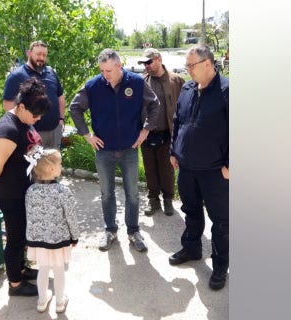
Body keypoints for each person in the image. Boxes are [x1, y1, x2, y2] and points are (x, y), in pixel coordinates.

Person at [69, 48, 161, 253]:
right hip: (104, 151)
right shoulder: (93, 86)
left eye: (108, 71)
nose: (105, 75)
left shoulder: (136, 83)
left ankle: (133, 231)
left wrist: (145, 131)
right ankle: (110, 230)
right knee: (106, 194)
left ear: (119, 66)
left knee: (133, 194)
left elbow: (155, 105)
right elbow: (75, 108)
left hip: (129, 149)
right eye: (102, 70)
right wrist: (87, 135)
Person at [168, 44, 229, 291]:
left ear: (207, 64)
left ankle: (220, 267)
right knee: (190, 211)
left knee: (221, 222)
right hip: (187, 168)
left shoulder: (227, 91)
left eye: (191, 65)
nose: (187, 70)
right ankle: (192, 248)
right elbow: (178, 120)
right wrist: (174, 151)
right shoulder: (188, 87)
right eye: (186, 65)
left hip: (215, 171)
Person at [0, 78, 51, 296]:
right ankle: (15, 284)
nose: (38, 119)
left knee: (21, 235)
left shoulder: (23, 120)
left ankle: (21, 269)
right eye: (35, 116)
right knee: (15, 240)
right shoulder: (8, 130)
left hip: (22, 190)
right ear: (21, 106)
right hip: (11, 194)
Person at [25, 148, 79, 313]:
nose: (61, 166)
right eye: (60, 164)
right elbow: (71, 216)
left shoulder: (30, 191)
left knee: (43, 269)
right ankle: (60, 302)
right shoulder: (63, 191)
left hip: (38, 241)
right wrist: (74, 236)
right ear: (50, 169)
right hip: (58, 240)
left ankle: (42, 301)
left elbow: (30, 216)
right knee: (58, 270)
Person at [136, 48, 185, 216]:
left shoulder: (176, 81)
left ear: (159, 59)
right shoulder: (141, 81)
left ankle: (168, 200)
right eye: (143, 63)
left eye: (148, 62)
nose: (146, 66)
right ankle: (153, 200)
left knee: (167, 169)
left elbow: (184, 108)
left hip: (168, 134)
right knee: (150, 169)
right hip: (146, 134)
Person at [3, 40, 66, 149]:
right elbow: (8, 105)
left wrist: (61, 120)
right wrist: (22, 128)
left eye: (44, 55)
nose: (41, 58)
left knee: (52, 164)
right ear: (29, 53)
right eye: (38, 54)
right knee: (33, 165)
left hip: (54, 130)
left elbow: (60, 97)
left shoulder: (51, 72)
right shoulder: (16, 76)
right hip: (30, 133)